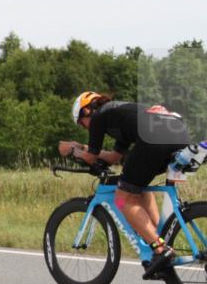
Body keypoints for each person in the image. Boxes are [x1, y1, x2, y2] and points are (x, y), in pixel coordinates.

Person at [59, 92, 191, 272]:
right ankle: (158, 237)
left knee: (123, 198)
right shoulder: (118, 115)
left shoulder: (98, 116)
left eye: (81, 123)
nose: (84, 128)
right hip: (178, 134)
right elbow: (114, 157)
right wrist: (82, 147)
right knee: (137, 187)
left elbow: (91, 157)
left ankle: (160, 249)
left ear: (87, 111)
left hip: (154, 139)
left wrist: (72, 150)